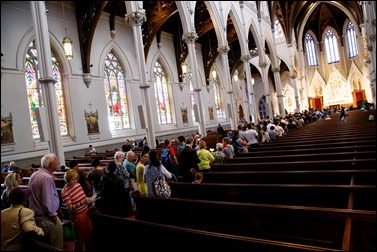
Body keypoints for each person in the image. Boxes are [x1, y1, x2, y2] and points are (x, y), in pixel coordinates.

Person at [28, 153, 63, 250]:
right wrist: (53, 216)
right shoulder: (47, 178)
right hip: (47, 217)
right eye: (57, 162)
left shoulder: (35, 174)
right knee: (56, 246)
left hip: (36, 215)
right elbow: (48, 200)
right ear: (51, 164)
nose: (58, 164)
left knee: (45, 245)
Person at [61, 169, 96, 251]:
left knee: (89, 234)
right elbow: (70, 208)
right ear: (68, 180)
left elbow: (84, 198)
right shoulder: (65, 192)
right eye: (73, 180)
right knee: (80, 237)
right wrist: (82, 203)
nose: (75, 181)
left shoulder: (77, 185)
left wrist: (89, 200)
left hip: (86, 211)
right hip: (78, 216)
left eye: (76, 179)